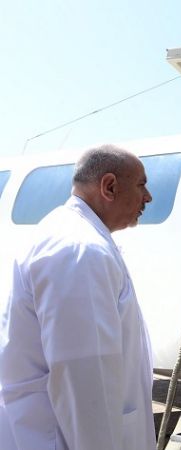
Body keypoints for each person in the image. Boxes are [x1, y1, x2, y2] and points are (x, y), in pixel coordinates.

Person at [0, 144, 155, 449]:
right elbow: (86, 382)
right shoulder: (80, 251)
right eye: (141, 185)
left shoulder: (79, 238)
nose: (147, 197)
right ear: (109, 186)